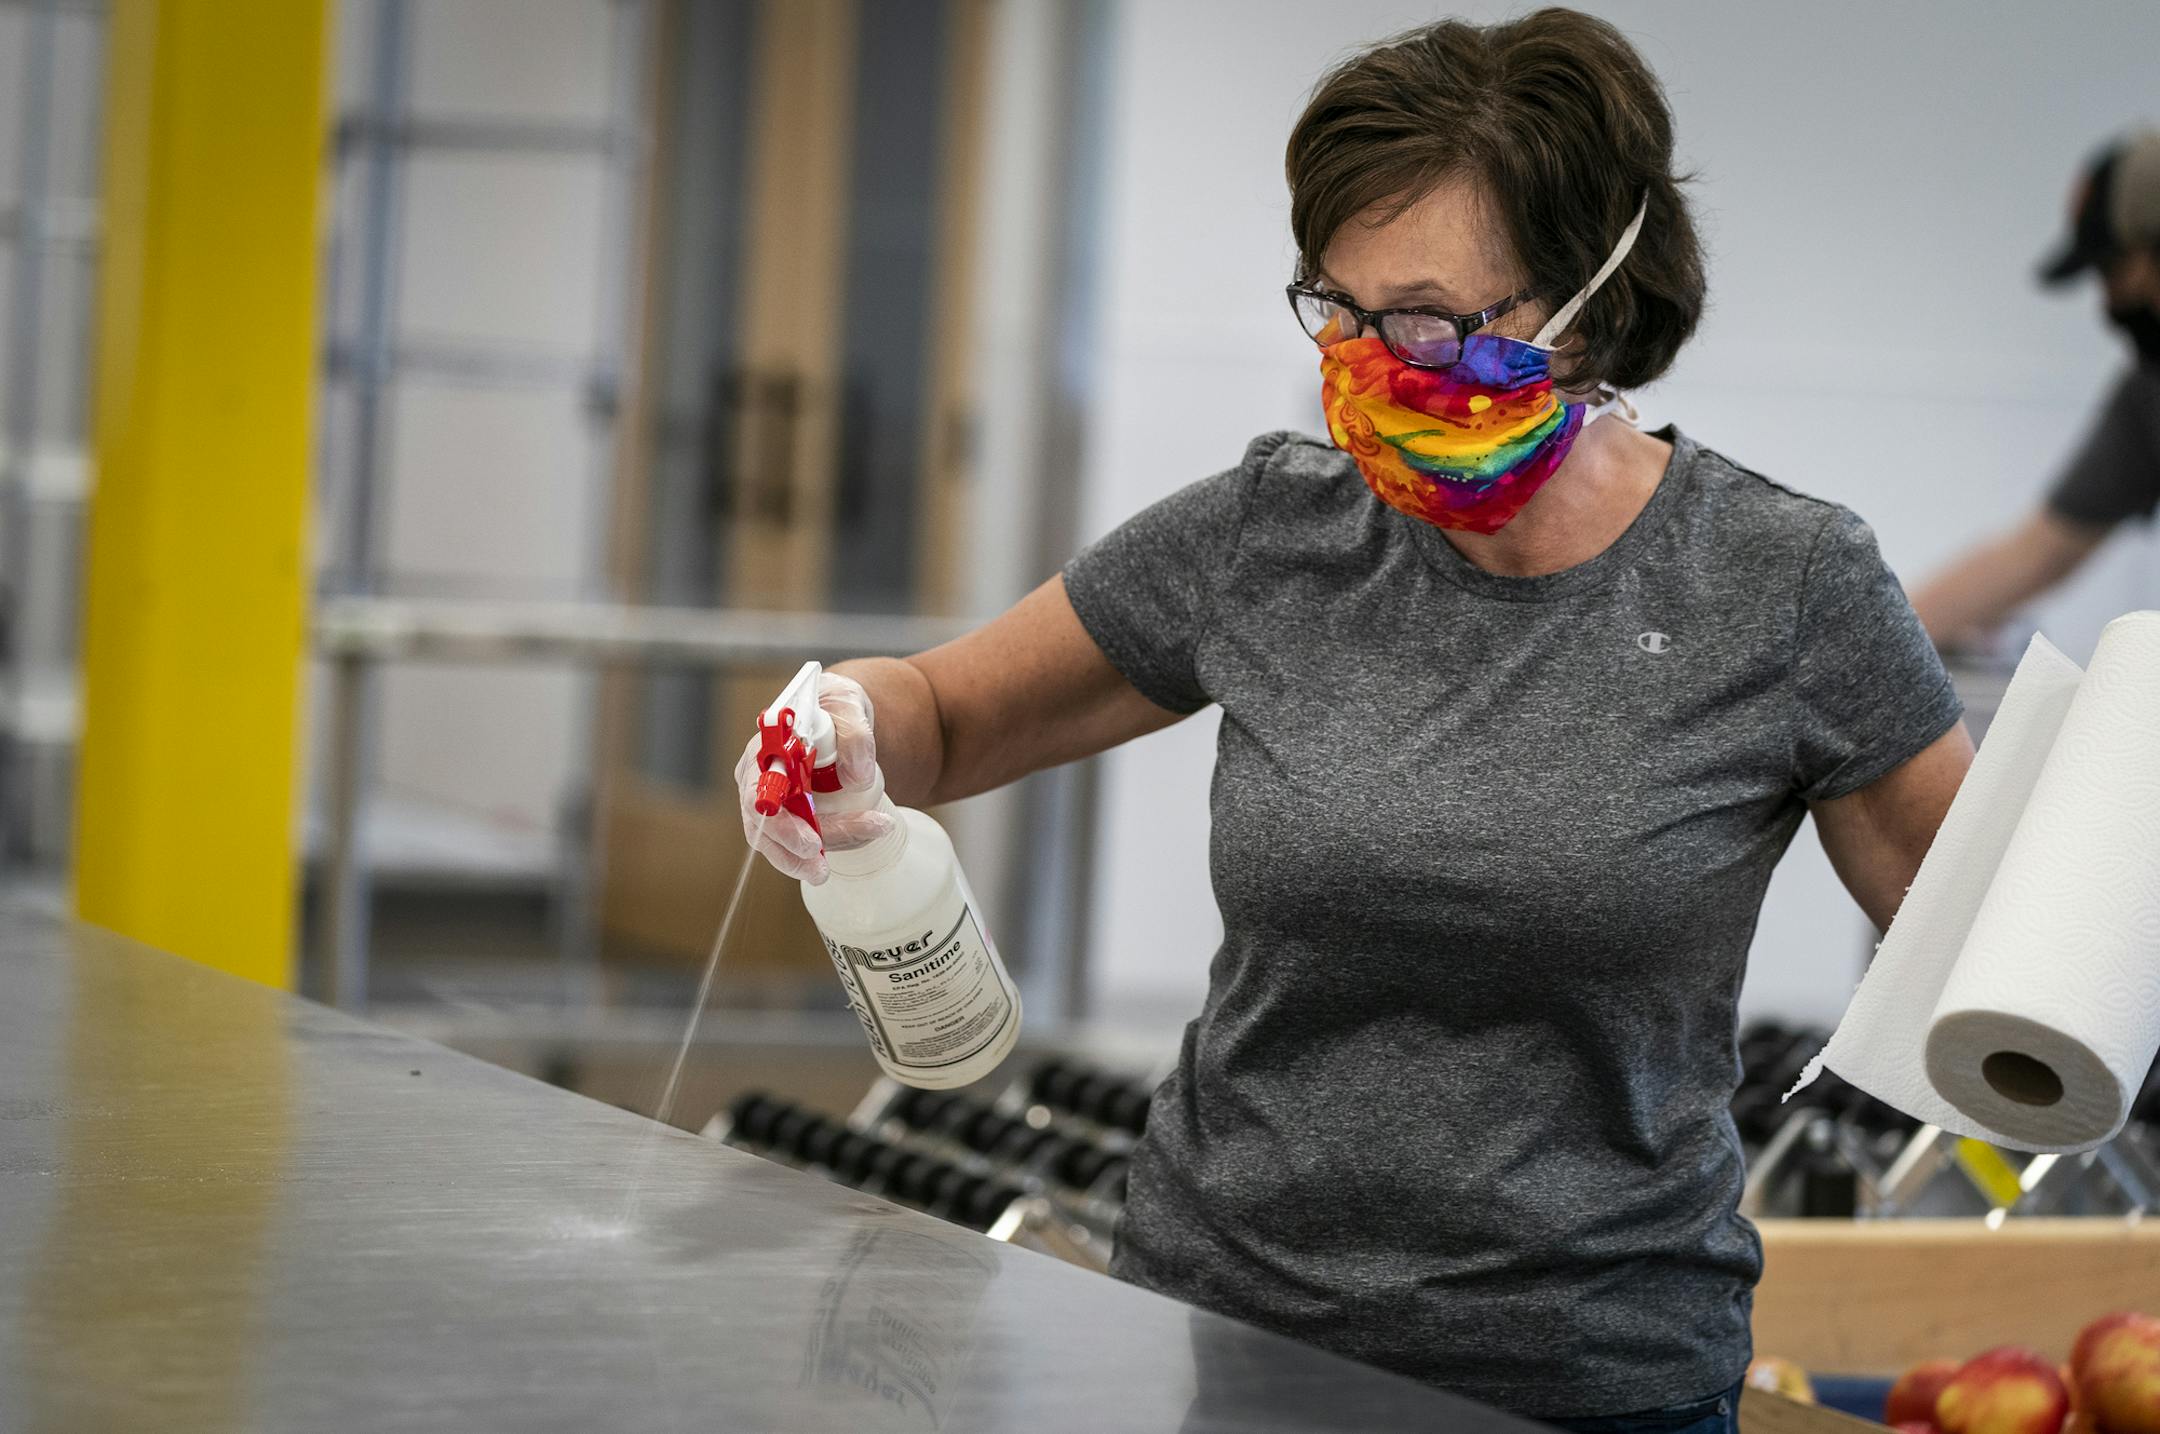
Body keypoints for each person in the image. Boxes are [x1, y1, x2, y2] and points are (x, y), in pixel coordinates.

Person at [736, 11, 1971, 1430]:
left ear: (1592, 298)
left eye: (1434, 319)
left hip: (1591, 1380)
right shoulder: (1273, 531)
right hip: (1222, 1338)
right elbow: (946, 713)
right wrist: (845, 719)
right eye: (1339, 309)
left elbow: (1990, 953)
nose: (1377, 365)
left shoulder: (1783, 585)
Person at [1912, 130, 2160, 649]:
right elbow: (2039, 552)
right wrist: (1869, 644)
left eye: (2116, 272)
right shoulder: (2149, 390)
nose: (2112, 300)